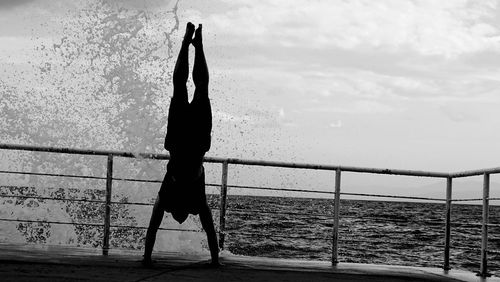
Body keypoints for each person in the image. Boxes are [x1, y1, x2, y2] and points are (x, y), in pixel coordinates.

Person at [142, 22, 219, 267]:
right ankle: (191, 44)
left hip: (195, 144)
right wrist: (146, 257)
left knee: (199, 90)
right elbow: (154, 228)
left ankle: (195, 44)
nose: (178, 219)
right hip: (181, 142)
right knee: (184, 89)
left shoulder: (189, 203)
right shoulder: (184, 202)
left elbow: (208, 232)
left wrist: (147, 258)